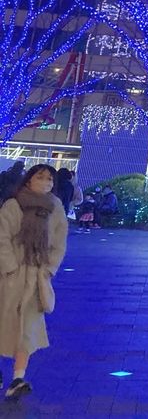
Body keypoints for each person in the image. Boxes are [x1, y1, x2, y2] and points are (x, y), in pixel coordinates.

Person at [0, 164, 68, 402]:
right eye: (40, 177)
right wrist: (9, 269)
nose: (46, 182)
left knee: (27, 327)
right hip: (10, 274)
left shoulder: (55, 208)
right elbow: (2, 238)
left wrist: (49, 269)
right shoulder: (13, 205)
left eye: (50, 178)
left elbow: (59, 242)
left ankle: (18, 377)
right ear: (29, 180)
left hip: (37, 276)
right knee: (4, 321)